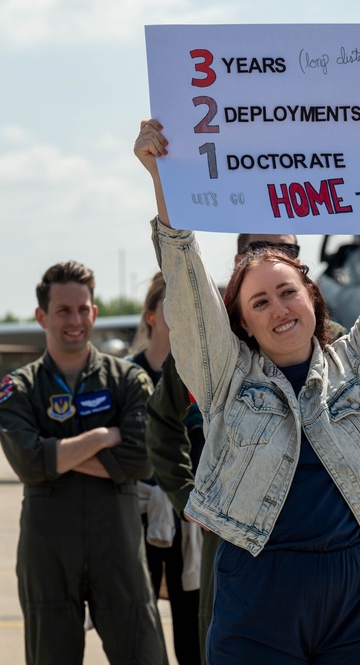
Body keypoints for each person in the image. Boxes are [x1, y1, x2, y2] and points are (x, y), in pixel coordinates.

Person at [134, 95, 360, 663]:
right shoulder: (224, 381)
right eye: (259, 301)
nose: (279, 307)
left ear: (312, 298)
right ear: (243, 323)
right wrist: (164, 179)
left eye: (288, 291)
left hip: (358, 595)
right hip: (256, 593)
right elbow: (185, 284)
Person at [145, 232, 335, 664]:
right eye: (263, 250)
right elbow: (161, 424)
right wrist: (189, 496)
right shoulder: (210, 355)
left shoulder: (329, 340)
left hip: (326, 549)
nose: (277, 259)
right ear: (237, 262)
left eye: (289, 253)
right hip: (240, 538)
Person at [0, 261, 167, 665]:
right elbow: (29, 463)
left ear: (94, 312)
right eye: (63, 310)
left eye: (83, 309)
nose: (75, 320)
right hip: (47, 552)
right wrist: (103, 437)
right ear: (42, 316)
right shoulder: (19, 388)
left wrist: (56, 453)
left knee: (145, 656)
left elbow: (141, 460)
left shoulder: (128, 381)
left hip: (118, 549)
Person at [128, 271, 202, 665]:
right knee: (141, 623)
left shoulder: (203, 378)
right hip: (139, 515)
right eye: (170, 307)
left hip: (191, 516)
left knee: (192, 628)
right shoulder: (125, 375)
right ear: (151, 316)